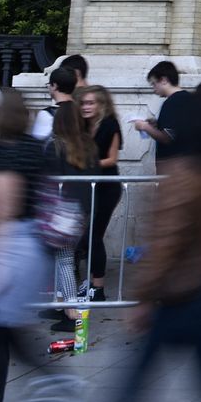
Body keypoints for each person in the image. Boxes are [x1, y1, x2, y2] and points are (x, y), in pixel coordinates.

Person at [115, 154, 201, 402]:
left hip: (180, 295)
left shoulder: (181, 178)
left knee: (134, 384)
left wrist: (143, 295)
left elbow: (165, 242)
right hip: (198, 289)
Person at [0, 90, 73, 402]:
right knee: (8, 330)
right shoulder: (37, 149)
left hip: (7, 248)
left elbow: (0, 205)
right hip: (34, 247)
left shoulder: (1, 154)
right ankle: (55, 379)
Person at [46, 101, 99, 331]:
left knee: (64, 260)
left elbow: (49, 178)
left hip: (62, 209)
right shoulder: (89, 145)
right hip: (83, 208)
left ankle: (71, 312)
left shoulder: (55, 146)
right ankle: (64, 306)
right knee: (64, 259)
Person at [75, 86, 122, 300]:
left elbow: (112, 159)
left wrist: (86, 164)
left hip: (107, 186)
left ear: (101, 104)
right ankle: (92, 282)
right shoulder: (81, 126)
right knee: (87, 238)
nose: (86, 107)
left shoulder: (110, 124)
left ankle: (98, 287)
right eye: (83, 103)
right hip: (87, 186)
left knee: (93, 235)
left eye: (90, 103)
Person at [132, 61, 201, 173]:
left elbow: (167, 137)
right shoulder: (190, 99)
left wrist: (145, 127)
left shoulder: (172, 102)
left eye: (154, 84)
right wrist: (157, 124)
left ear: (164, 80)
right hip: (190, 166)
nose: (154, 89)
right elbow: (180, 129)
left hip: (173, 170)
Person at [29, 65, 79, 140]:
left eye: (49, 84)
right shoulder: (82, 110)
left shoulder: (46, 114)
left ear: (55, 86)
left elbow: (38, 143)